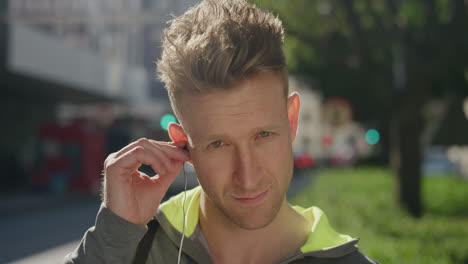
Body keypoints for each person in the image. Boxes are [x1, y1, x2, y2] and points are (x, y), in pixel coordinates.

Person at [64, 0, 379, 263]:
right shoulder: (132, 248)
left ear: (291, 119)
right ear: (182, 144)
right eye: (218, 144)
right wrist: (115, 233)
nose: (248, 176)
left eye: (263, 135)